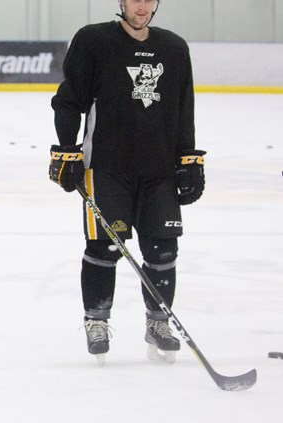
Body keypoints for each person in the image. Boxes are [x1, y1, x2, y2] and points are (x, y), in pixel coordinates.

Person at [49, 0, 205, 365]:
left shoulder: (174, 47)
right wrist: (67, 151)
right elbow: (69, 100)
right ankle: (97, 320)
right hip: (107, 168)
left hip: (160, 170)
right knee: (105, 247)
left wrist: (189, 158)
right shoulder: (94, 41)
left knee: (163, 252)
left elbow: (185, 107)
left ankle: (158, 322)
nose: (142, 5)